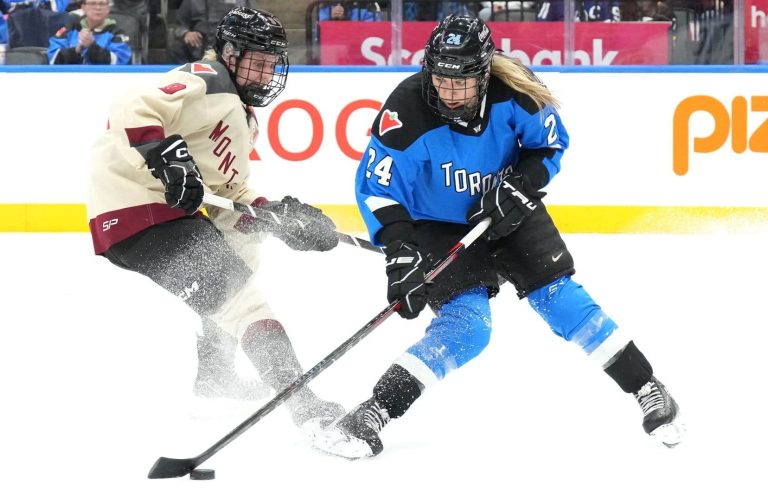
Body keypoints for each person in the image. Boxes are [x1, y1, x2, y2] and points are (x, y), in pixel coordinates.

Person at [312, 14, 684, 459]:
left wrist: (521, 184)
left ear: (484, 74)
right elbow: (376, 186)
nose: (448, 92)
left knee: (560, 299)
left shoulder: (517, 92)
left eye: (461, 82)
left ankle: (647, 386)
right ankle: (374, 411)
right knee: (468, 328)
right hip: (436, 223)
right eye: (440, 78)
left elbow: (549, 147)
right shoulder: (406, 111)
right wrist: (399, 249)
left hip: (507, 206)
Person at [86, 7, 345, 432]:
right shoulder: (206, 79)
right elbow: (131, 109)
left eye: (270, 64)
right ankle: (303, 405)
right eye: (256, 62)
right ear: (229, 53)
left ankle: (216, 377)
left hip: (164, 215)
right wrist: (168, 158)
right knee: (245, 303)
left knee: (245, 250)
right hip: (139, 210)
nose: (265, 74)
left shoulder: (242, 118)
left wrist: (277, 217)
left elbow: (230, 199)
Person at [47, 0, 131, 64]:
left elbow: (120, 62)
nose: (98, 8)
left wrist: (92, 46)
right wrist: (76, 51)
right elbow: (52, 58)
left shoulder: (117, 33)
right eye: (93, 3)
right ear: (83, 7)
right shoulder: (70, 29)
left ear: (108, 9)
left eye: (102, 4)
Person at [167, 0, 241, 65]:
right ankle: (184, 72)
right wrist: (186, 33)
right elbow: (177, 24)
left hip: (226, 44)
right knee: (176, 45)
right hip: (198, 46)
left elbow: (246, 21)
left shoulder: (236, 2)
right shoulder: (191, 1)